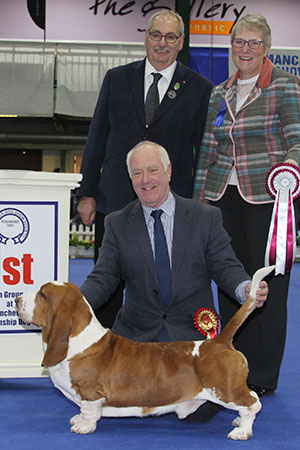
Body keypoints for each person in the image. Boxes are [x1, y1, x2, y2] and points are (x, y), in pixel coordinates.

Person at [80, 140, 269, 423]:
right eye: (138, 173)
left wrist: (245, 289)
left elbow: (225, 265)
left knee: (200, 413)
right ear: (130, 178)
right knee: (116, 408)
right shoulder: (118, 223)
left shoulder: (205, 217)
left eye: (152, 170)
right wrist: (74, 304)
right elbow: (103, 277)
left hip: (191, 337)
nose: (146, 180)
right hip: (136, 344)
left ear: (168, 171)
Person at [75, 8, 213, 328]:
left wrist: (198, 202)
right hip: (114, 198)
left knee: (162, 283)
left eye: (170, 37)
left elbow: (203, 151)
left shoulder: (200, 88)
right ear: (146, 38)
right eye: (156, 35)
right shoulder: (116, 78)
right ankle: (102, 356)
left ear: (181, 42)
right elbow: (97, 138)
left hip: (171, 204)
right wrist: (87, 194)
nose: (162, 43)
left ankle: (156, 352)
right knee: (107, 282)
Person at [193, 13, 300, 397]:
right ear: (231, 47)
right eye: (240, 42)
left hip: (269, 199)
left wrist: (289, 170)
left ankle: (262, 375)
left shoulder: (285, 86)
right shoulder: (219, 92)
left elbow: (298, 140)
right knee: (231, 283)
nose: (246, 49)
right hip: (225, 198)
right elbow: (208, 148)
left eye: (254, 43)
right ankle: (232, 365)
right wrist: (198, 201)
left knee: (269, 286)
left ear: (267, 48)